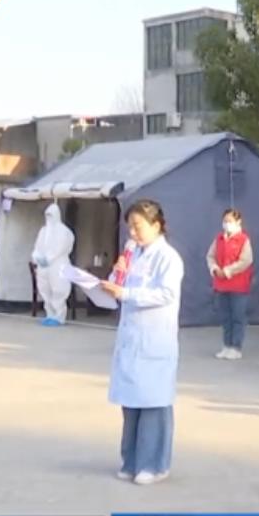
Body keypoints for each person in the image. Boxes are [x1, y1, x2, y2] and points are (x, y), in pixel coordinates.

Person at [99, 200, 184, 486]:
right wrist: (116, 275)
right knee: (131, 403)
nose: (132, 233)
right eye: (130, 228)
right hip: (132, 338)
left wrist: (126, 293)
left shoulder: (168, 258)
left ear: (156, 225)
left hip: (155, 340)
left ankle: (155, 464)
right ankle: (131, 461)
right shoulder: (133, 253)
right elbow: (118, 285)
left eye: (137, 227)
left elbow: (166, 294)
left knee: (153, 403)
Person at [207, 208, 254, 360]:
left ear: (238, 222)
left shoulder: (243, 240)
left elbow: (246, 260)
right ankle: (226, 346)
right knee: (225, 318)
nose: (227, 224)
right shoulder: (219, 239)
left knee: (237, 317)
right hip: (221, 285)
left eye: (230, 221)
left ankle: (236, 347)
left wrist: (228, 271)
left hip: (238, 286)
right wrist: (215, 269)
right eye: (225, 221)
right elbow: (210, 256)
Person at [30, 202, 76, 326]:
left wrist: (49, 258)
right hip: (43, 266)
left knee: (59, 289)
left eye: (51, 215)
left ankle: (59, 316)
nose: (49, 218)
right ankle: (49, 314)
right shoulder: (43, 231)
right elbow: (37, 246)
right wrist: (37, 257)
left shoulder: (64, 231)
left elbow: (61, 248)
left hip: (58, 265)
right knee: (45, 289)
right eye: (47, 215)